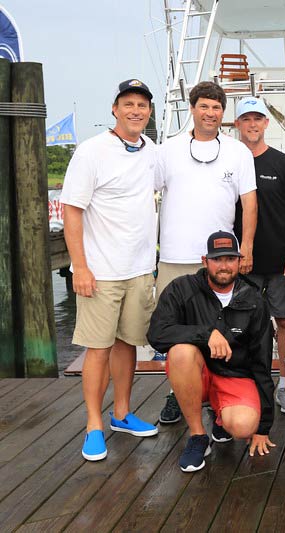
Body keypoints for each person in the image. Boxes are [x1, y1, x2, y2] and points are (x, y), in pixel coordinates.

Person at [61, 78, 159, 461]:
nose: (136, 110)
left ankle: (121, 413)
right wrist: (80, 268)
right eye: (129, 104)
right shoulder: (91, 152)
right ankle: (93, 425)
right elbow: (71, 211)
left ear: (149, 113)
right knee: (97, 350)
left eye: (143, 105)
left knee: (127, 344)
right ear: (115, 110)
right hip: (99, 271)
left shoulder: (152, 150)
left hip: (139, 269)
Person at [155, 81, 257, 425]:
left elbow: (249, 203)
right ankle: (176, 394)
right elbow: (144, 195)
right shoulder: (166, 150)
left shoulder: (238, 152)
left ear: (223, 114)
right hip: (174, 256)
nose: (210, 113)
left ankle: (218, 398)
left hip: (222, 260)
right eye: (204, 106)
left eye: (216, 108)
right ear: (192, 109)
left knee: (223, 330)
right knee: (176, 335)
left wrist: (247, 249)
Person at [147, 231, 276, 472]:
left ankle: (221, 417)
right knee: (181, 352)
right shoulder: (181, 288)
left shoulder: (255, 300)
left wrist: (263, 428)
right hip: (198, 374)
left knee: (244, 426)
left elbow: (262, 363)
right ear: (205, 261)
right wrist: (206, 334)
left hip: (235, 376)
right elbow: (156, 334)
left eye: (230, 259)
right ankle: (198, 436)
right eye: (217, 259)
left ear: (239, 261)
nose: (224, 266)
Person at [233, 96, 285, 415]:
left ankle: (284, 382)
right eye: (246, 119)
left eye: (258, 118)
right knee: (241, 324)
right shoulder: (230, 161)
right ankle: (247, 382)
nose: (252, 124)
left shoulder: (284, 163)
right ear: (237, 124)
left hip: (279, 263)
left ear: (266, 123)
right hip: (238, 264)